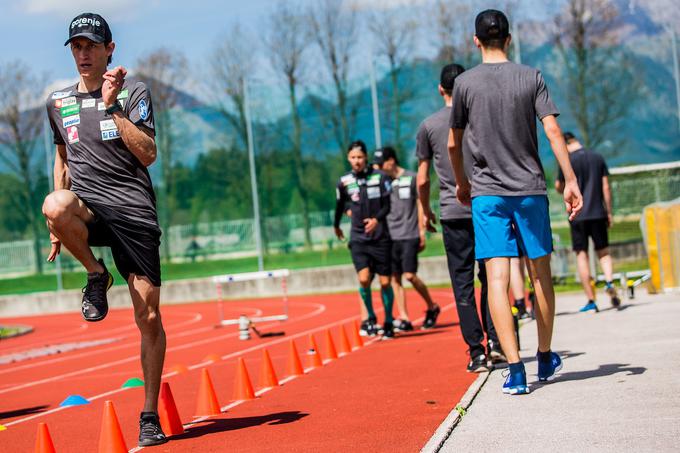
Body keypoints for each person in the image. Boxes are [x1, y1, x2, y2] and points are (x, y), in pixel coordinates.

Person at [42, 13, 167, 445]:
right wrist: (60, 228)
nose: (83, 54)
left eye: (91, 46)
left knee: (147, 316)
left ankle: (149, 415)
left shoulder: (133, 92)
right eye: (76, 46)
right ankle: (97, 274)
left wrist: (113, 105)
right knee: (53, 205)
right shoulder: (58, 103)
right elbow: (62, 160)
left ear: (109, 49)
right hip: (90, 209)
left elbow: (148, 153)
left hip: (133, 213)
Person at [449, 9, 583, 395]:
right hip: (529, 191)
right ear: (509, 38)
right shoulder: (531, 76)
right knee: (540, 274)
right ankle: (544, 356)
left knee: (497, 277)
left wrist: (462, 181)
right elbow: (553, 129)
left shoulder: (464, 84)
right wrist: (570, 179)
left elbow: (454, 141)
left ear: (476, 41)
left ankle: (515, 370)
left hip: (487, 193)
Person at [416, 64, 503, 372]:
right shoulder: (480, 119)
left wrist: (425, 211)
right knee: (492, 276)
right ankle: (498, 343)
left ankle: (476, 351)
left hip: (453, 211)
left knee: (462, 282)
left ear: (440, 90)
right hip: (486, 204)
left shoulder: (428, 126)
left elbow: (423, 178)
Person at [334, 140, 395, 339]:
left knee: (385, 283)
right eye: (353, 157)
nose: (356, 161)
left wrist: (377, 220)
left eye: (360, 157)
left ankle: (387, 320)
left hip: (380, 238)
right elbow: (340, 204)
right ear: (348, 158)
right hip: (359, 238)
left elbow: (388, 205)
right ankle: (369, 317)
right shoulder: (344, 181)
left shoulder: (380, 177)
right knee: (363, 278)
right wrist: (337, 223)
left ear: (366, 157)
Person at [375, 147, 440, 332]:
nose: (379, 167)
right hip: (390, 236)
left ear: (391, 161)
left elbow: (420, 203)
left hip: (409, 233)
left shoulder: (411, 177)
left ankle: (432, 306)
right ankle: (404, 317)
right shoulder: (383, 181)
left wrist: (421, 230)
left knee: (410, 275)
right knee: (395, 278)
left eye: (381, 163)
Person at [556, 132, 620, 312]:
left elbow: (559, 187)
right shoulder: (597, 157)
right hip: (598, 212)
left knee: (581, 255)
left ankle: (591, 300)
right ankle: (608, 281)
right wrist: (609, 212)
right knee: (604, 252)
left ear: (565, 144)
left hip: (578, 215)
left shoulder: (566, 160)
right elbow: (605, 187)